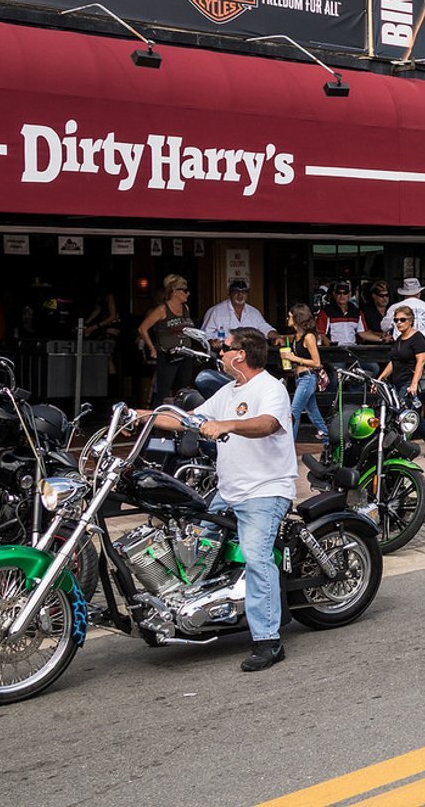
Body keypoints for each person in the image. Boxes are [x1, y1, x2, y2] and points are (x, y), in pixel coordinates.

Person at [146, 327, 296, 672]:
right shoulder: (229, 391)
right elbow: (190, 421)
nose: (220, 352)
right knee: (195, 547)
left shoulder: (270, 388)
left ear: (241, 354)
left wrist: (227, 425)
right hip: (229, 491)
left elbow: (267, 424)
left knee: (257, 558)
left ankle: (268, 640)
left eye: (225, 347)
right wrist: (145, 416)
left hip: (265, 490)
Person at [386, 278, 425, 440]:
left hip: (405, 354)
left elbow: (383, 326)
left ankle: (408, 431)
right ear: (419, 292)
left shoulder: (395, 308)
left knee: (405, 394)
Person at [377, 306, 425, 444]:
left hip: (409, 382)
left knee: (403, 413)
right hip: (398, 381)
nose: (399, 323)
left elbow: (421, 361)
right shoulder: (399, 339)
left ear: (410, 320)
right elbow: (393, 362)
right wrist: (381, 378)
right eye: (396, 320)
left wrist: (414, 384)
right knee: (408, 414)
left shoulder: (418, 338)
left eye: (402, 320)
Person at [138, 275, 199, 406]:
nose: (188, 293)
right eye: (185, 290)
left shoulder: (185, 308)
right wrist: (152, 348)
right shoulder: (162, 309)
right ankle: (157, 422)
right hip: (168, 356)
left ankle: (179, 421)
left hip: (186, 354)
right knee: (163, 391)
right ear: (174, 291)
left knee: (183, 391)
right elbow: (143, 328)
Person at [284, 305, 328, 443]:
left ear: (298, 317)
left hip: (308, 377)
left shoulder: (309, 337)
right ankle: (328, 439)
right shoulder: (296, 337)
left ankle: (289, 445)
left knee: (294, 411)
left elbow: (317, 362)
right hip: (299, 377)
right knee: (313, 412)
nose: (287, 318)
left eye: (290, 316)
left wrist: (294, 358)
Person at [202, 280, 272, 343]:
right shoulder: (216, 311)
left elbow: (265, 328)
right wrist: (213, 341)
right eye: (236, 292)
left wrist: (276, 336)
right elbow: (204, 335)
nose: (240, 295)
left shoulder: (254, 312)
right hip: (223, 351)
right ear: (229, 294)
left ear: (247, 294)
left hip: (249, 351)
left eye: (243, 292)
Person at [319, 282, 367, 347]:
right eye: (339, 293)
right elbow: (321, 334)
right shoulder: (326, 312)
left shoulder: (356, 312)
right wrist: (331, 349)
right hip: (334, 350)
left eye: (345, 293)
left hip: (353, 350)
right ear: (334, 294)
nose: (342, 296)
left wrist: (381, 339)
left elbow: (362, 333)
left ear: (349, 294)